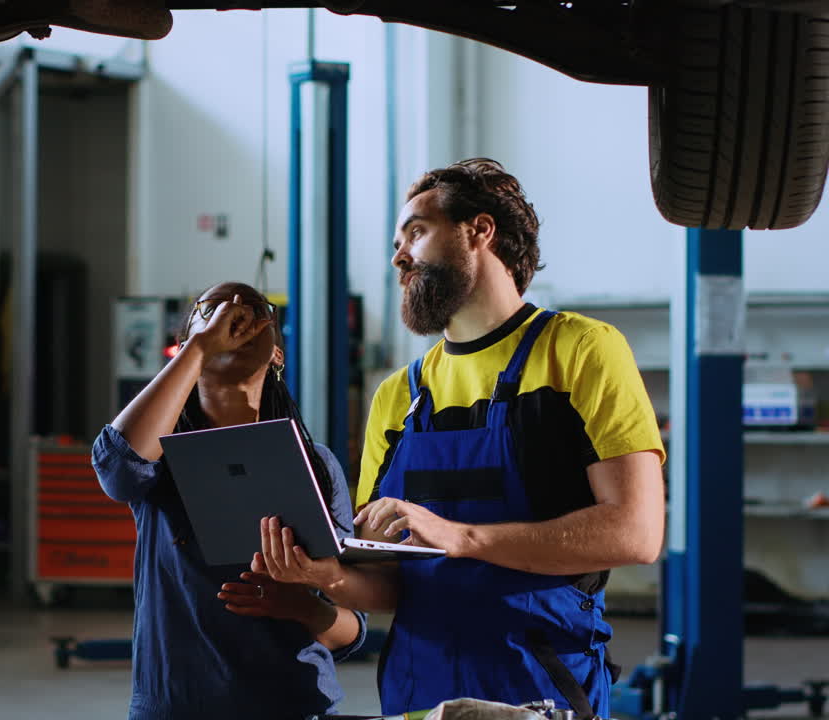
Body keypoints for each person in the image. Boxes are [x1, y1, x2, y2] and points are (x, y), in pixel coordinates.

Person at [256, 159, 666, 719]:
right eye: (397, 243)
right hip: (417, 689)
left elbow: (636, 533)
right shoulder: (398, 395)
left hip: (538, 682)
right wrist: (326, 577)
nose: (399, 257)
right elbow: (389, 583)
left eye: (416, 232)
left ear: (479, 231)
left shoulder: (580, 350)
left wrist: (460, 537)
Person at [92, 281, 367, 720]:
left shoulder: (315, 464)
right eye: (212, 310)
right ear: (184, 346)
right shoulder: (160, 458)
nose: (234, 317)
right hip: (178, 707)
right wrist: (200, 349)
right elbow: (117, 468)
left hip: (292, 706)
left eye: (254, 310)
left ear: (277, 353)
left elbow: (351, 630)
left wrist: (303, 606)